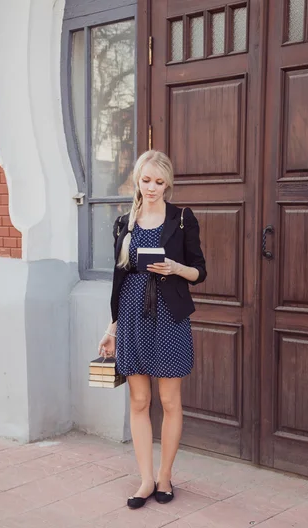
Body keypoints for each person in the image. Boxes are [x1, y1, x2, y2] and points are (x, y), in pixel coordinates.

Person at [98, 150, 207, 509]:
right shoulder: (124, 223)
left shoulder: (181, 219)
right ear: (137, 179)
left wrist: (175, 266)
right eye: (146, 180)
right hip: (132, 318)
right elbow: (118, 279)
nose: (152, 188)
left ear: (168, 184)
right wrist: (112, 328)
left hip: (169, 318)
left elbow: (199, 272)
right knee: (139, 401)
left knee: (169, 400)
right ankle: (145, 479)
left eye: (160, 182)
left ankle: (165, 477)